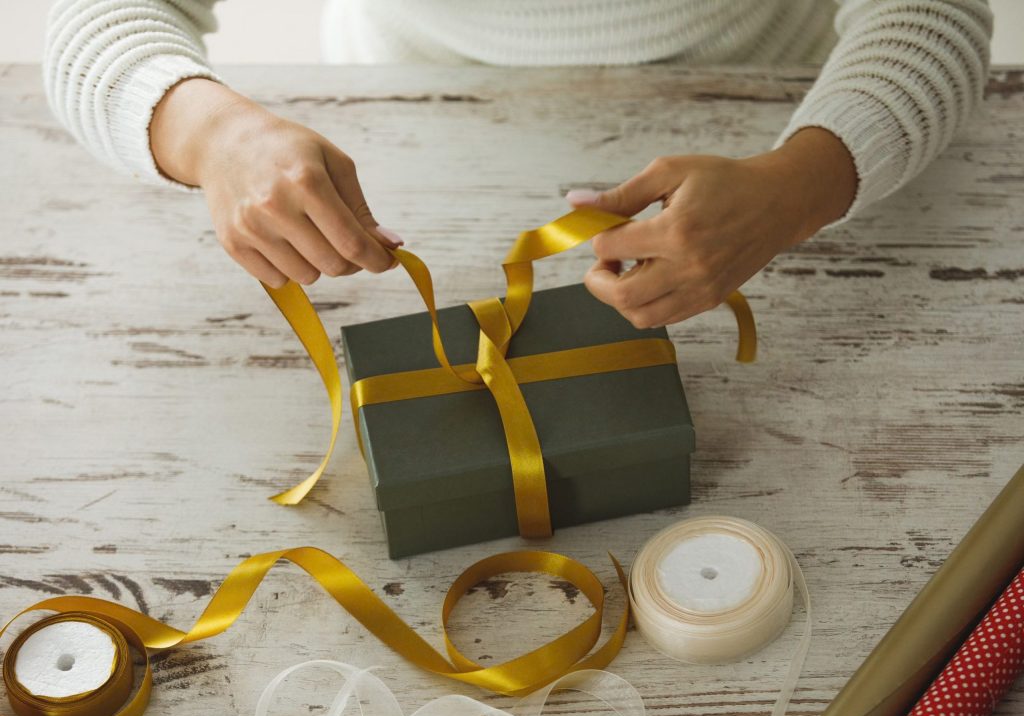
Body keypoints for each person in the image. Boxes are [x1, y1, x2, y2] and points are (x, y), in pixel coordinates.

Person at [44, 1, 992, 329]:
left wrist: (798, 188)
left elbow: (936, 19)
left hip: (780, 104)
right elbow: (94, 29)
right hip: (421, 116)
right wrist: (215, 136)